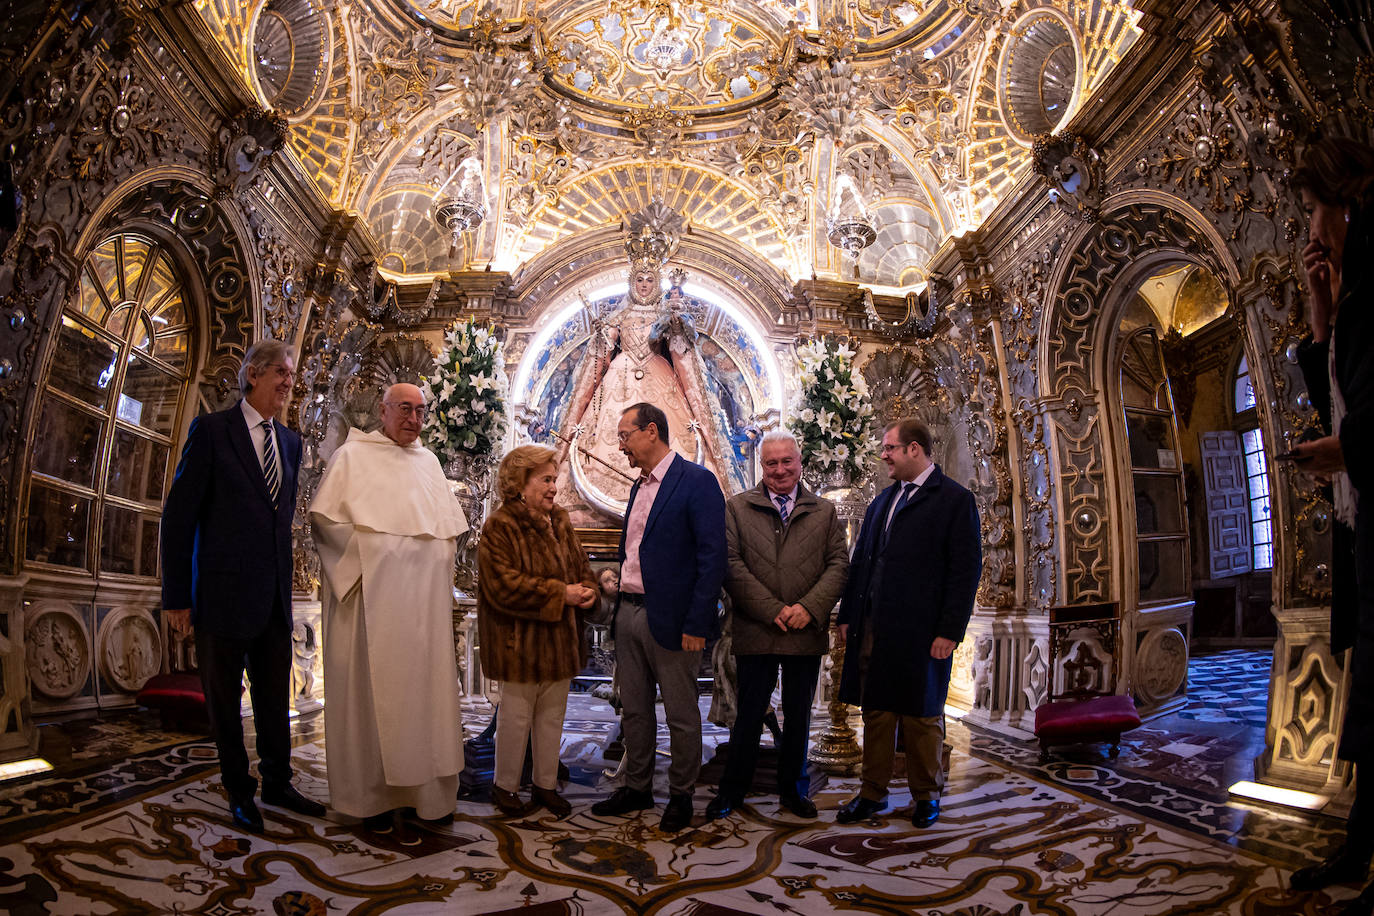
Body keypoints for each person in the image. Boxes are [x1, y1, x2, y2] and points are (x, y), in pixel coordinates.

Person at [160, 339, 327, 832]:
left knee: (276, 700)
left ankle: (278, 780)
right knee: (226, 704)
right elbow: (178, 518)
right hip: (220, 596)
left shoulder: (292, 443)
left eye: (292, 376)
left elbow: (278, 521)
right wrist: (177, 597)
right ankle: (239, 790)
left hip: (272, 598)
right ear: (253, 374)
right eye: (282, 372)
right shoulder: (212, 432)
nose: (289, 383)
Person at [309, 382, 468, 844]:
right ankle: (370, 800)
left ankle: (428, 797)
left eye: (421, 410)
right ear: (382, 410)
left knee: (425, 701)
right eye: (404, 408)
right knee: (368, 703)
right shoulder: (352, 457)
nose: (413, 418)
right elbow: (327, 523)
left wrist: (425, 558)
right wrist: (383, 554)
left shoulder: (430, 463)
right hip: (368, 607)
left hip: (423, 615)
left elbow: (444, 534)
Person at [1287, 137, 1374, 915]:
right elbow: (1340, 401)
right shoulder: (1351, 295)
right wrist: (1321, 312)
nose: (1311, 228)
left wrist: (1352, 450)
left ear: (1348, 198)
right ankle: (1360, 844)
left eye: (1316, 208)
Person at [834, 418, 981, 829]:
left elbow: (965, 572)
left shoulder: (954, 500)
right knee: (877, 713)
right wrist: (849, 616)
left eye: (890, 448)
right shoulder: (883, 501)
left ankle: (926, 797)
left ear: (915, 449)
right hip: (876, 630)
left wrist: (949, 631)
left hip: (923, 633)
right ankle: (871, 794)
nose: (884, 456)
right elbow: (861, 562)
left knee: (922, 717)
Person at [591, 402, 727, 832]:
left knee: (682, 715)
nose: (621, 445)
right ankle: (638, 787)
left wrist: (696, 625)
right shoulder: (638, 487)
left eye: (624, 435)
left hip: (673, 620)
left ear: (651, 431)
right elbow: (638, 550)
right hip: (628, 613)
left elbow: (712, 559)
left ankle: (681, 795)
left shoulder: (697, 482)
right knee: (634, 709)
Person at [705, 430, 848, 821]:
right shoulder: (736, 508)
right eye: (772, 463)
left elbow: (839, 565)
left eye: (787, 461)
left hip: (805, 629)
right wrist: (772, 610)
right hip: (757, 628)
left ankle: (794, 791)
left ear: (799, 463)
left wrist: (808, 607)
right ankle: (733, 791)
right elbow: (730, 566)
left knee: (799, 715)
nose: (780, 469)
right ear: (761, 466)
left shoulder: (823, 511)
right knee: (748, 714)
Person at [476, 445, 599, 818]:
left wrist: (589, 588)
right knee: (515, 719)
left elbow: (581, 567)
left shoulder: (560, 520)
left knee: (551, 718)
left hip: (559, 642)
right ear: (520, 483)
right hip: (520, 644)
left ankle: (545, 786)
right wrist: (561, 593)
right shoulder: (500, 525)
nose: (553, 488)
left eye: (554, 479)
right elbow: (503, 586)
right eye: (546, 479)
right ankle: (506, 787)